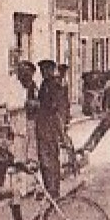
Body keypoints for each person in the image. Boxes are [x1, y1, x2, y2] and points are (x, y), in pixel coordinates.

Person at [32, 60, 68, 198]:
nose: (43, 73)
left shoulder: (52, 85)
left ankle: (52, 189)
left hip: (49, 126)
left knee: (49, 158)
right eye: (42, 70)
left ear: (51, 70)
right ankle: (51, 188)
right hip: (45, 125)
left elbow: (53, 107)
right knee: (48, 158)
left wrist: (37, 105)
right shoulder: (46, 84)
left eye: (46, 70)